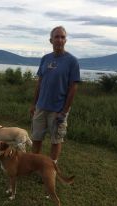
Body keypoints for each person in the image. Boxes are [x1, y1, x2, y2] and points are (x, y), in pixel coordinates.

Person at [30, 26, 80, 164]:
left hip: (58, 110)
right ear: (51, 40)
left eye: (62, 37)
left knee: (56, 141)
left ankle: (51, 169)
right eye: (56, 37)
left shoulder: (72, 61)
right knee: (36, 138)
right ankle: (35, 165)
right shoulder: (45, 59)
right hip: (41, 107)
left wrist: (64, 111)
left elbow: (73, 88)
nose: (59, 40)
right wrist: (34, 104)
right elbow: (40, 83)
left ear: (66, 40)